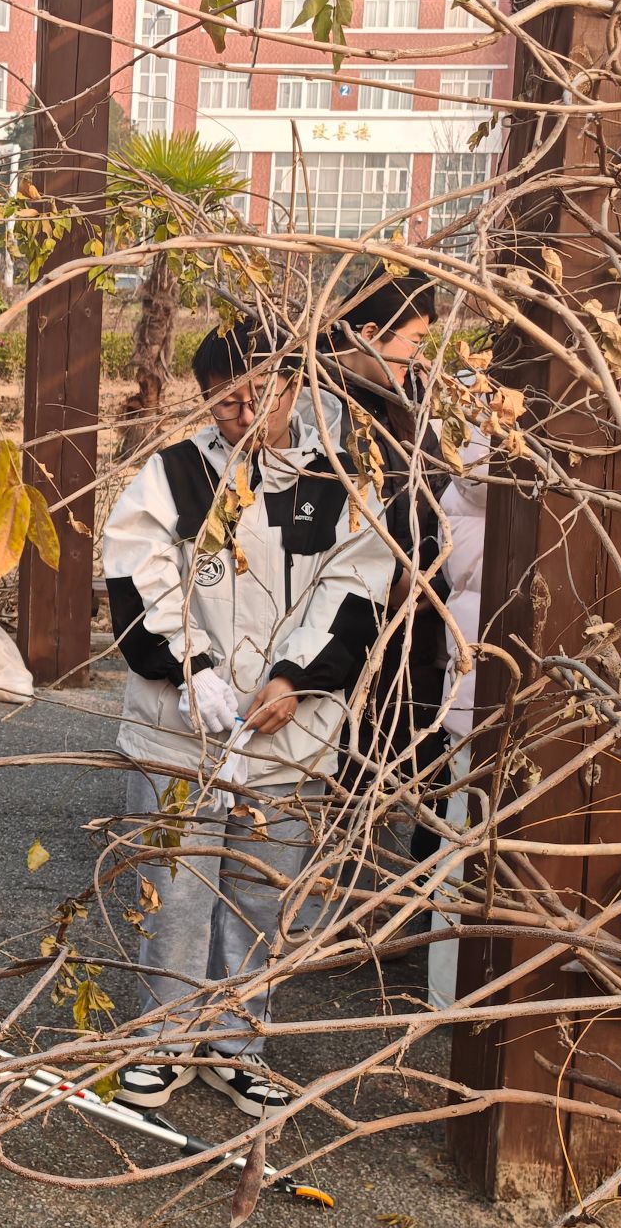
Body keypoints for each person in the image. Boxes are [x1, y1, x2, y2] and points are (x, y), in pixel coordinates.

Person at [104, 324, 393, 1117]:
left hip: (289, 731)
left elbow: (357, 587)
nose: (241, 411)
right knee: (173, 886)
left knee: (260, 894)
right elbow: (135, 572)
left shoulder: (340, 478)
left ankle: (238, 1041)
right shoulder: (174, 474)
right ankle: (162, 1038)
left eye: (260, 392)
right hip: (179, 725)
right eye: (223, 398)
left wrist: (295, 676)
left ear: (294, 386)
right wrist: (190, 665)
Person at [322, 274, 449, 865]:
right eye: (415, 343)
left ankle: (389, 881)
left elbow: (433, 491)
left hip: (416, 603)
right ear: (369, 333)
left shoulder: (409, 392)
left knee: (412, 752)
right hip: (351, 608)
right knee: (347, 752)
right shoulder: (320, 404)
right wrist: (385, 575)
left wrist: (427, 573)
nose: (419, 358)